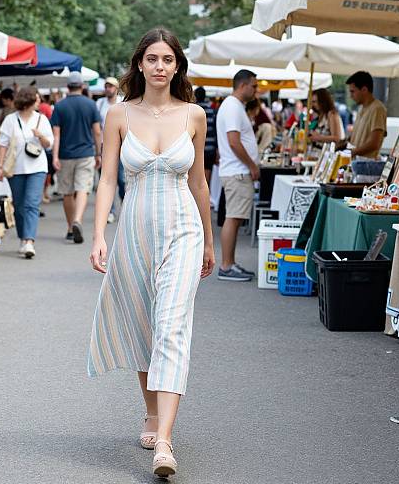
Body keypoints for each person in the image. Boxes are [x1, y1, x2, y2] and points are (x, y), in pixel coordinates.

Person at [88, 27, 214, 478]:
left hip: (183, 230)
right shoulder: (118, 114)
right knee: (145, 326)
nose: (160, 66)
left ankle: (165, 441)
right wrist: (100, 234)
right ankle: (150, 411)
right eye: (152, 58)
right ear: (139, 64)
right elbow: (106, 180)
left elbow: (199, 183)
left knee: (171, 326)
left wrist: (210, 241)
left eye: (167, 59)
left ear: (177, 65)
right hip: (135, 230)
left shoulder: (195, 116)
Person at [0, 87, 54, 258]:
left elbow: (49, 144)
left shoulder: (41, 119)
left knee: (31, 204)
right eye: (36, 99)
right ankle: (23, 237)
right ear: (28, 101)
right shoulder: (10, 120)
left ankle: (29, 241)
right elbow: (2, 144)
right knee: (19, 205)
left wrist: (40, 136)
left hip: (37, 168)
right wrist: (0, 166)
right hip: (16, 169)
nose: (39, 102)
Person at [216, 69, 259, 282]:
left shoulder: (232, 106)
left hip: (235, 170)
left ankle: (230, 263)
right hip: (237, 172)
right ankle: (226, 265)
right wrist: (251, 165)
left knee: (234, 217)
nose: (256, 90)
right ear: (242, 85)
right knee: (233, 218)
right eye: (254, 86)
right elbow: (233, 141)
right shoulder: (233, 107)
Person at [51, 71, 102, 243]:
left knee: (67, 192)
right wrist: (99, 153)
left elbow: (56, 135)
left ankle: (69, 227)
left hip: (65, 154)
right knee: (82, 188)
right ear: (82, 86)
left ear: (68, 87)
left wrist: (55, 156)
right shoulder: (90, 105)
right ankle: (77, 220)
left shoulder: (59, 106)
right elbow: (97, 132)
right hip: (86, 153)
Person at [96, 77, 125, 223]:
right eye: (106, 86)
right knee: (106, 178)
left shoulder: (122, 103)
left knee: (121, 178)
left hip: (120, 146)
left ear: (116, 88)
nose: (108, 89)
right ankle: (110, 210)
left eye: (111, 86)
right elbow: (96, 126)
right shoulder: (100, 103)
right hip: (103, 145)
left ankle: (126, 206)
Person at [345, 71, 387, 158]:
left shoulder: (377, 108)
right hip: (356, 163)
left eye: (353, 91)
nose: (350, 96)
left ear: (364, 89)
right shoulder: (361, 108)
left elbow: (374, 143)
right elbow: (357, 139)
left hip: (366, 166)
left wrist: (351, 153)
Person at [194, 86, 217, 185]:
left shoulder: (192, 111)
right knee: (207, 176)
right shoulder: (211, 111)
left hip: (195, 148)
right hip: (210, 148)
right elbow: (215, 130)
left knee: (195, 175)